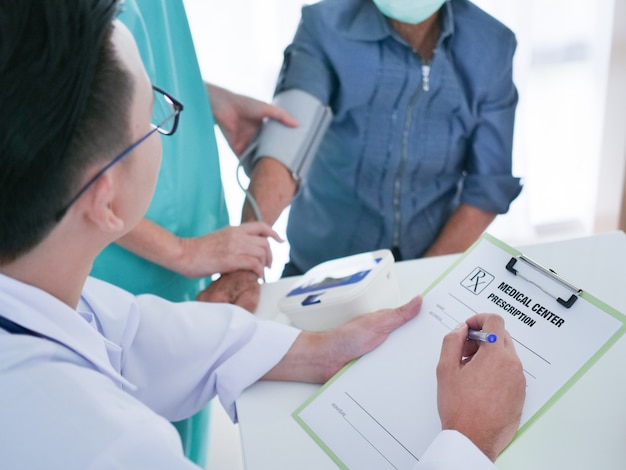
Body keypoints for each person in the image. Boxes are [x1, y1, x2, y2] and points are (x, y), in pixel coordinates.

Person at [0, 1, 525, 468]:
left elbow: (135, 335)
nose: (173, 119)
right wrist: (468, 443)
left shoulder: (57, 297)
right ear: (105, 196)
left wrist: (316, 349)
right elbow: (285, 150)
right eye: (161, 112)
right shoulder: (116, 448)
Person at [89, 0, 297, 464]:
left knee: (183, 416)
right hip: (122, 255)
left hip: (188, 228)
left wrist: (202, 95)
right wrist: (181, 251)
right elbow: (53, 119)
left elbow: (141, 47)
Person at [207, 0, 522, 305]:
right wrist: (242, 262)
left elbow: (487, 188)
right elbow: (285, 145)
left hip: (429, 268)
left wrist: (421, 286)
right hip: (318, 274)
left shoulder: (491, 45)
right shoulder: (325, 27)